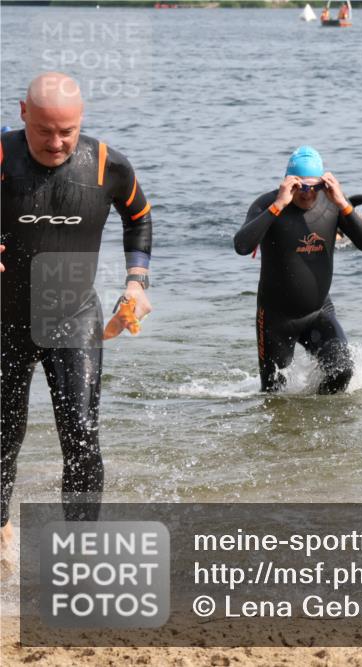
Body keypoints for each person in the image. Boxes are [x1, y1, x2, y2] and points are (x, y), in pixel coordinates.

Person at [1, 72, 153, 556]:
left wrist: (137, 281)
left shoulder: (107, 165)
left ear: (81, 119)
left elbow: (140, 219)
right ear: (23, 112)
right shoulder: (2, 157)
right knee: (3, 433)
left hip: (73, 314)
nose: (56, 141)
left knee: (82, 433)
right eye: (45, 129)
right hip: (5, 319)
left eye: (66, 130)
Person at [234, 146, 362, 394]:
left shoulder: (332, 205)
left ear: (323, 183)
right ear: (289, 183)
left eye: (314, 187)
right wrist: (278, 204)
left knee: (342, 371)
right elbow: (242, 246)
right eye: (300, 187)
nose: (308, 194)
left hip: (318, 312)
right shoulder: (268, 204)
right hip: (276, 320)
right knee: (273, 395)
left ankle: (318, 425)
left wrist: (342, 202)